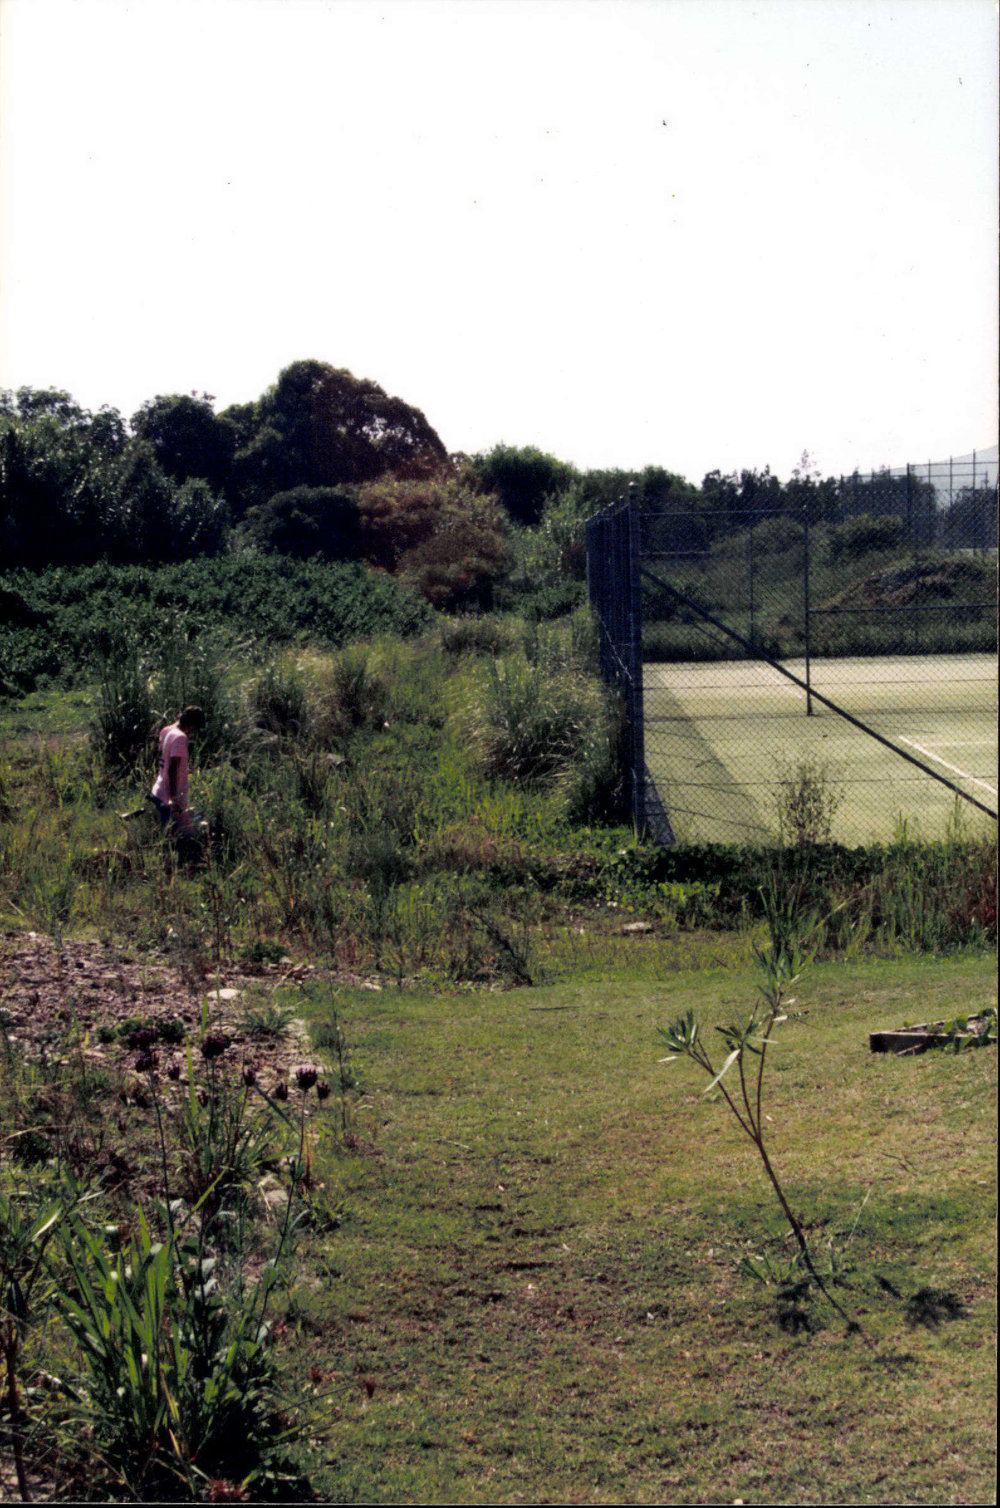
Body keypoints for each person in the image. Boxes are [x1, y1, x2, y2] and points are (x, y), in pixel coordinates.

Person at [150, 706, 205, 840]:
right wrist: (173, 799)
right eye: (195, 728)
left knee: (168, 837)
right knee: (175, 841)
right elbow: (172, 770)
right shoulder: (181, 738)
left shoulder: (167, 731)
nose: (193, 732)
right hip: (169, 796)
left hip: (159, 791)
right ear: (191, 725)